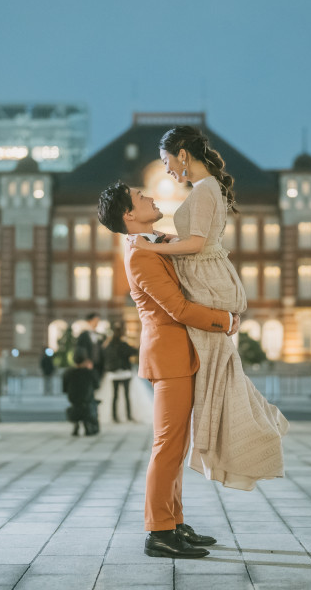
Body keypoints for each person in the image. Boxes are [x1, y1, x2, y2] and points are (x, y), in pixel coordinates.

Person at [129, 126, 289, 491]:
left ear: (182, 154)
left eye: (168, 161)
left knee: (220, 377)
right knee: (222, 375)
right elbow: (194, 240)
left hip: (207, 281)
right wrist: (164, 239)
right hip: (210, 277)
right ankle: (252, 430)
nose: (168, 169)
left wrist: (151, 247)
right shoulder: (208, 188)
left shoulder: (203, 190)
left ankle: (257, 432)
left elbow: (197, 243)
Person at [98, 180, 237, 560]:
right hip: (169, 356)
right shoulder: (141, 254)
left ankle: (173, 522)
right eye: (142, 197)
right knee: (167, 446)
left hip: (179, 354)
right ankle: (158, 531)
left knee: (176, 446)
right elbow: (177, 307)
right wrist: (224, 319)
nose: (151, 197)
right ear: (129, 215)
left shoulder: (154, 242)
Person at [104, 322, 136, 422]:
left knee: (115, 396)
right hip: (124, 372)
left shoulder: (109, 345)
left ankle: (114, 417)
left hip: (114, 373)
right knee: (126, 396)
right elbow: (134, 352)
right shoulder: (123, 344)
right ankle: (128, 416)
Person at [62, 356, 99, 437]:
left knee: (77, 405)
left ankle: (76, 425)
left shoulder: (68, 372)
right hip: (86, 398)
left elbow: (64, 389)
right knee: (87, 404)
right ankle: (87, 425)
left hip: (73, 398)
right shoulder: (89, 372)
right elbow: (96, 385)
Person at [75, 312, 104, 385]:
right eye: (95, 321)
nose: (97, 323)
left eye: (98, 321)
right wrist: (86, 361)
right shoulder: (83, 335)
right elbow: (80, 349)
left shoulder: (99, 335)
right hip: (87, 365)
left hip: (99, 365)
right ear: (89, 321)